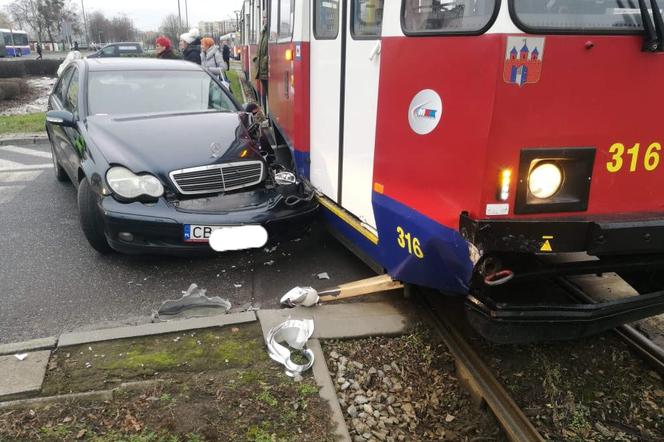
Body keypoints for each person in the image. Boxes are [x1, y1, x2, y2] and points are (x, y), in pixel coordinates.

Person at [254, 16, 269, 109]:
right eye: (263, 17)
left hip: (265, 68)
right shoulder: (263, 32)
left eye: (266, 17)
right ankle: (267, 112)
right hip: (262, 69)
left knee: (269, 93)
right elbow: (260, 50)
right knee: (267, 92)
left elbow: (269, 51)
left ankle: (268, 112)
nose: (264, 19)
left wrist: (263, 62)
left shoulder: (269, 32)